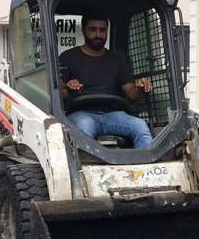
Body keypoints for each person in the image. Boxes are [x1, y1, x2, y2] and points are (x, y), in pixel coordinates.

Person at [58, 14, 154, 149]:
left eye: (102, 30)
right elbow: (58, 92)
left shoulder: (117, 60)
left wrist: (141, 87)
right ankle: (83, 168)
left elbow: (132, 93)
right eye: (93, 29)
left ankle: (146, 167)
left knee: (140, 126)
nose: (98, 34)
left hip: (113, 114)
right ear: (84, 30)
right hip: (81, 113)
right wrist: (67, 87)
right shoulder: (68, 57)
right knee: (84, 129)